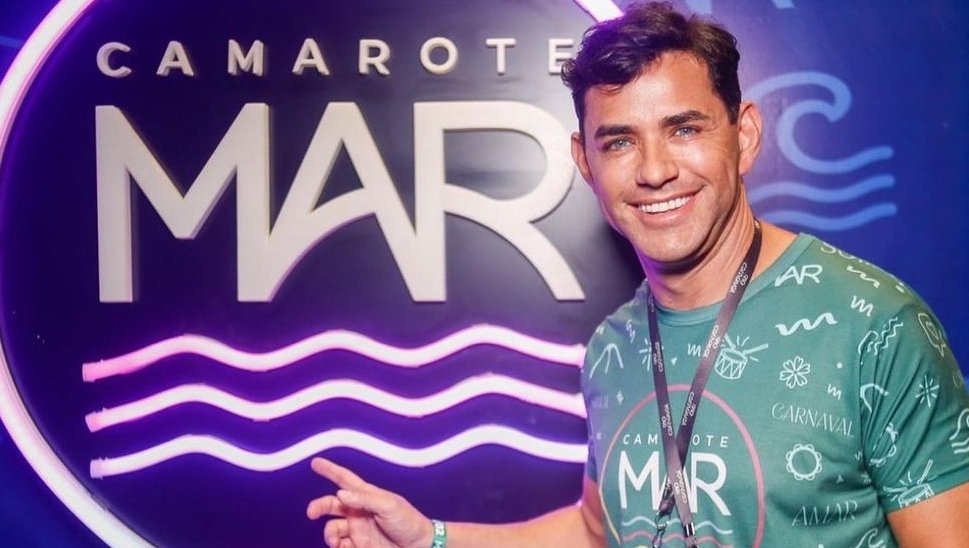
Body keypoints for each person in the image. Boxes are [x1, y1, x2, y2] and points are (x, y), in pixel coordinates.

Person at [305, 2, 969, 546]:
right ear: (585, 162)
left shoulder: (872, 327)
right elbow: (598, 531)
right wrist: (432, 539)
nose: (654, 171)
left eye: (683, 130)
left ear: (742, 136)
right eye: (619, 141)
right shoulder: (612, 347)